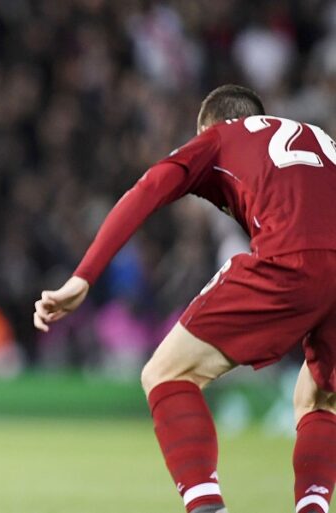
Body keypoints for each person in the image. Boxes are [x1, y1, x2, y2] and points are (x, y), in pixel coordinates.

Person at [34, 84, 336, 513]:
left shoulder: (220, 136)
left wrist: (83, 276)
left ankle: (207, 507)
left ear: (212, 125)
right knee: (320, 397)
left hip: (290, 259)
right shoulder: (320, 140)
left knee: (166, 374)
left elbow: (148, 188)